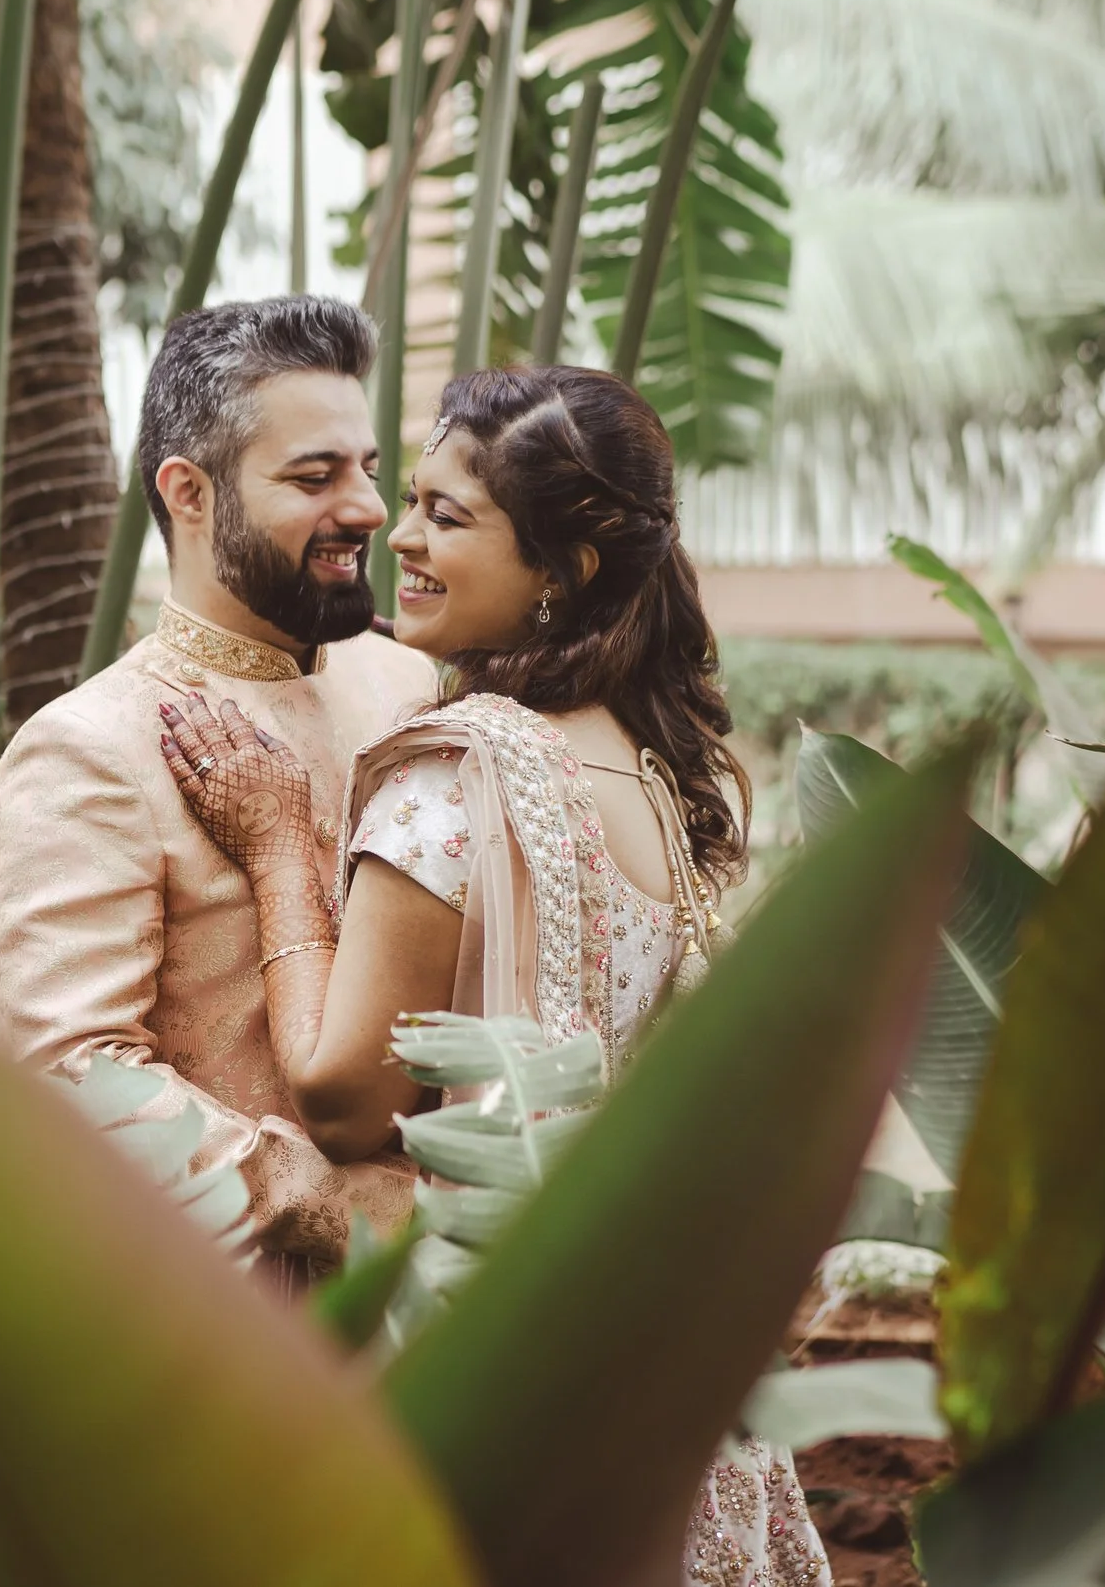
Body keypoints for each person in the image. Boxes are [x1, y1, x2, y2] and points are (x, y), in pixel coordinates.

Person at [160, 365, 830, 1587]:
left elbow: (345, 1096)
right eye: (408, 501)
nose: (397, 538)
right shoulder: (642, 766)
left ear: (563, 571)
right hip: (643, 1370)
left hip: (495, 1365)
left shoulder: (456, 773)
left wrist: (271, 849)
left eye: (447, 518)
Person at [0, 296, 434, 1288]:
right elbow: (69, 1081)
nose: (365, 508)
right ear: (188, 493)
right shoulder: (88, 750)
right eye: (313, 476)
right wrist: (329, 1199)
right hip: (230, 1341)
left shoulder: (410, 683)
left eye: (366, 468)